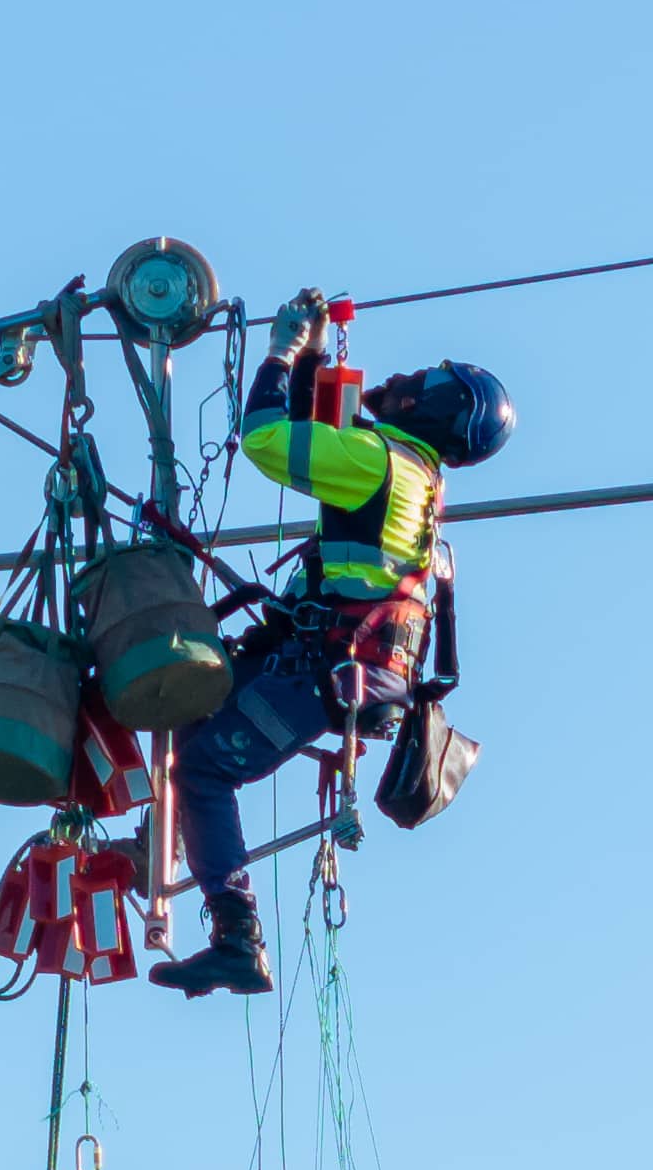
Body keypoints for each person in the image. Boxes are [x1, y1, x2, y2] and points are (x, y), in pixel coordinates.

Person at [148, 330, 514, 998]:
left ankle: (239, 936)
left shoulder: (379, 460)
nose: (407, 377)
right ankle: (170, 844)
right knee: (189, 722)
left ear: (439, 411)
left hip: (329, 668)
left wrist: (282, 352)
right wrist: (315, 364)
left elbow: (266, 438)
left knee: (203, 768)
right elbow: (321, 433)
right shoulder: (413, 471)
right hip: (340, 662)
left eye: (427, 384)